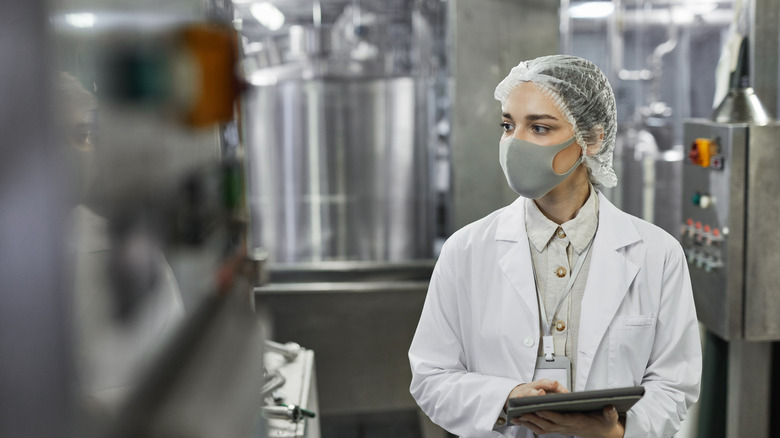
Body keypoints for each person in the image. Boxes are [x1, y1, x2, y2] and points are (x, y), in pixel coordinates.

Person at [408, 55, 701, 438]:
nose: (515, 144)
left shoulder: (655, 253)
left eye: (540, 128)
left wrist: (617, 432)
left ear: (592, 139)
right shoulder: (466, 250)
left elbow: (675, 382)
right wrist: (505, 398)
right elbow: (431, 377)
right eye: (508, 126)